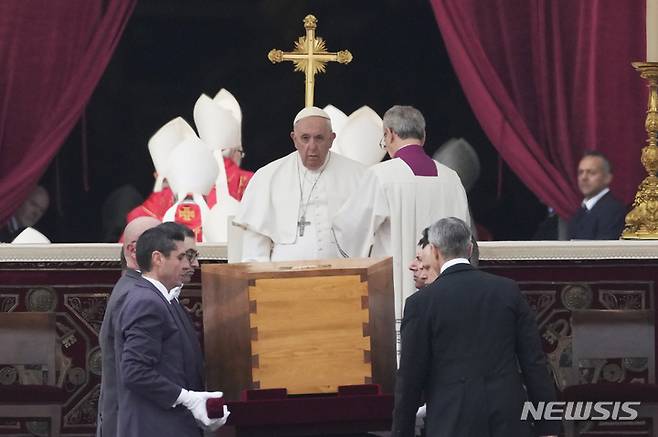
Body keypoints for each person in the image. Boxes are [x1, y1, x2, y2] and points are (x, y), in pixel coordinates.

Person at [392, 217, 558, 437]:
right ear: (469, 249)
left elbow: (410, 379)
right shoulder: (507, 291)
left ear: (433, 250)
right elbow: (534, 363)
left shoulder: (421, 303)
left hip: (451, 420)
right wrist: (549, 427)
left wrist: (401, 432)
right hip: (508, 418)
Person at [332, 105, 470, 353]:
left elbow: (349, 233)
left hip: (397, 297)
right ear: (423, 136)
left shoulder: (381, 176)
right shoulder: (452, 179)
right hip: (449, 298)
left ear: (390, 134)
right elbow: (465, 239)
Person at [114, 225, 228, 436]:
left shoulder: (164, 298)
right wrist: (188, 399)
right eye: (184, 257)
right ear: (158, 258)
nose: (193, 264)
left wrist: (198, 406)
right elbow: (134, 372)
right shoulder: (146, 302)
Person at [235, 106, 365, 261]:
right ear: (294, 139)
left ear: (331, 139)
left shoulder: (358, 175)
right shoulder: (268, 177)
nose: (312, 146)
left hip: (343, 277)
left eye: (319, 138)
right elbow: (254, 248)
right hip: (283, 279)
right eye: (305, 138)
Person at [97, 216, 161, 437]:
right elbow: (136, 374)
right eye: (162, 242)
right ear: (134, 250)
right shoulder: (134, 296)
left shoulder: (133, 289)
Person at [567, 151, 626, 239]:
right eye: (580, 172)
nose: (584, 177)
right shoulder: (581, 212)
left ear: (607, 178)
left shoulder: (613, 211)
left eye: (591, 172)